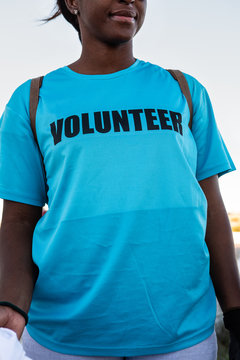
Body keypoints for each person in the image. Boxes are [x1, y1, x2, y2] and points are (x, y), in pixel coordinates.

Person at [0, 1, 239, 359]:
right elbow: (18, 220)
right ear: (73, 2)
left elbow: (212, 210)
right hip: (63, 340)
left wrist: (235, 312)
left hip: (181, 338)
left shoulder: (185, 90)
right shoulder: (33, 100)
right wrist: (10, 309)